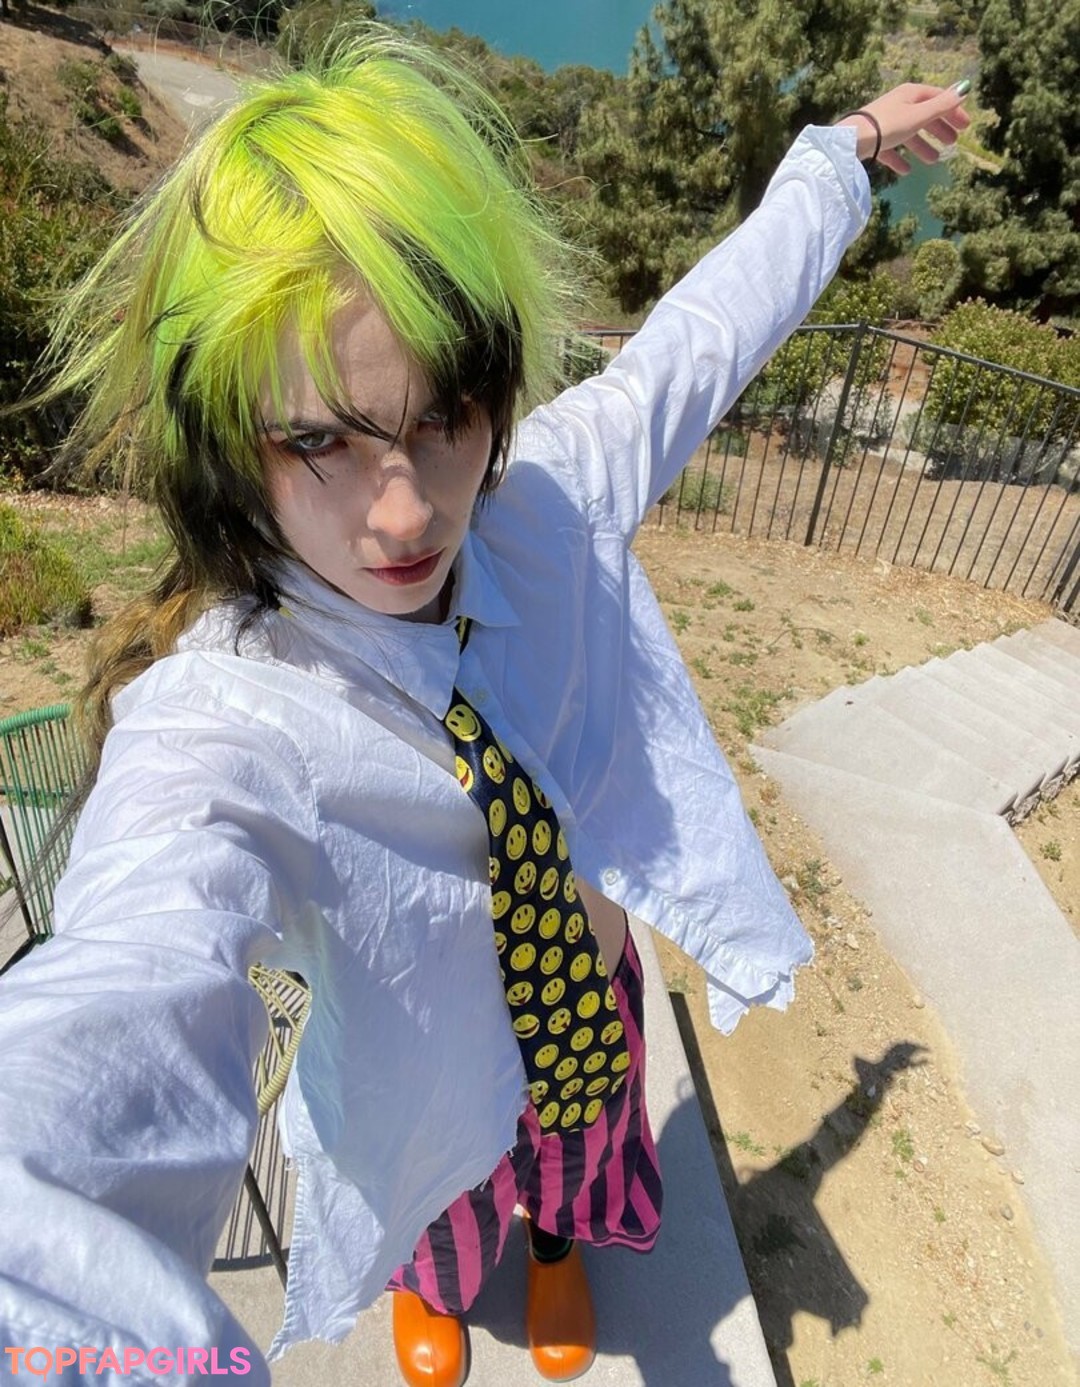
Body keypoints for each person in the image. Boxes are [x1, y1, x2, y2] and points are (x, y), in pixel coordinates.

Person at [0, 30, 970, 1387]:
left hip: (586, 994)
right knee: (443, 1219)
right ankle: (441, 1298)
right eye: (319, 439)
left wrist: (846, 151)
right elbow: (121, 993)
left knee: (577, 1155)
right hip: (427, 1080)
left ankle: (558, 1250)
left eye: (443, 415)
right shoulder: (228, 709)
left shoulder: (546, 503)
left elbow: (706, 335)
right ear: (226, 441)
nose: (405, 512)